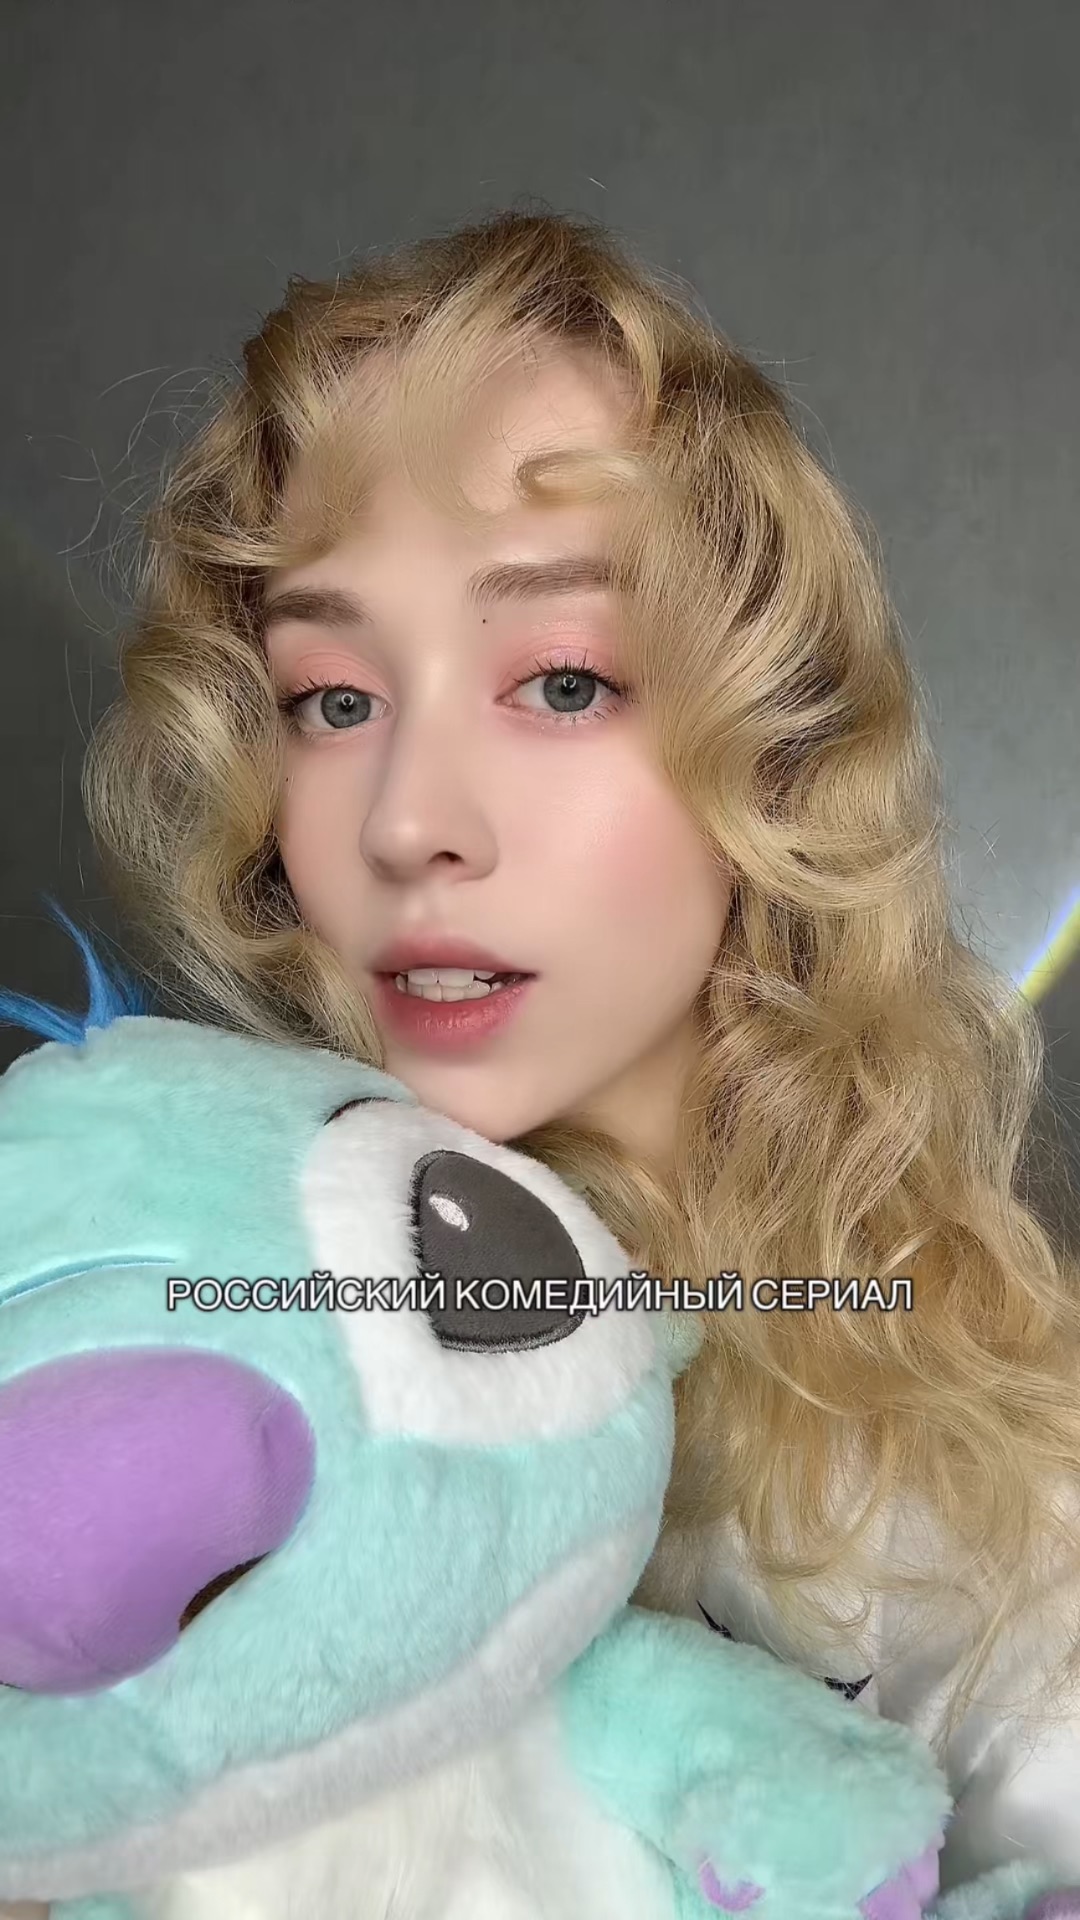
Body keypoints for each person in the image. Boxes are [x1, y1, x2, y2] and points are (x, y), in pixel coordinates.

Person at [6, 210, 1080, 1915]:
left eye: (563, 682)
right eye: (334, 700)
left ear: (774, 749)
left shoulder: (1002, 1480)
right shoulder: (187, 1312)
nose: (410, 822)